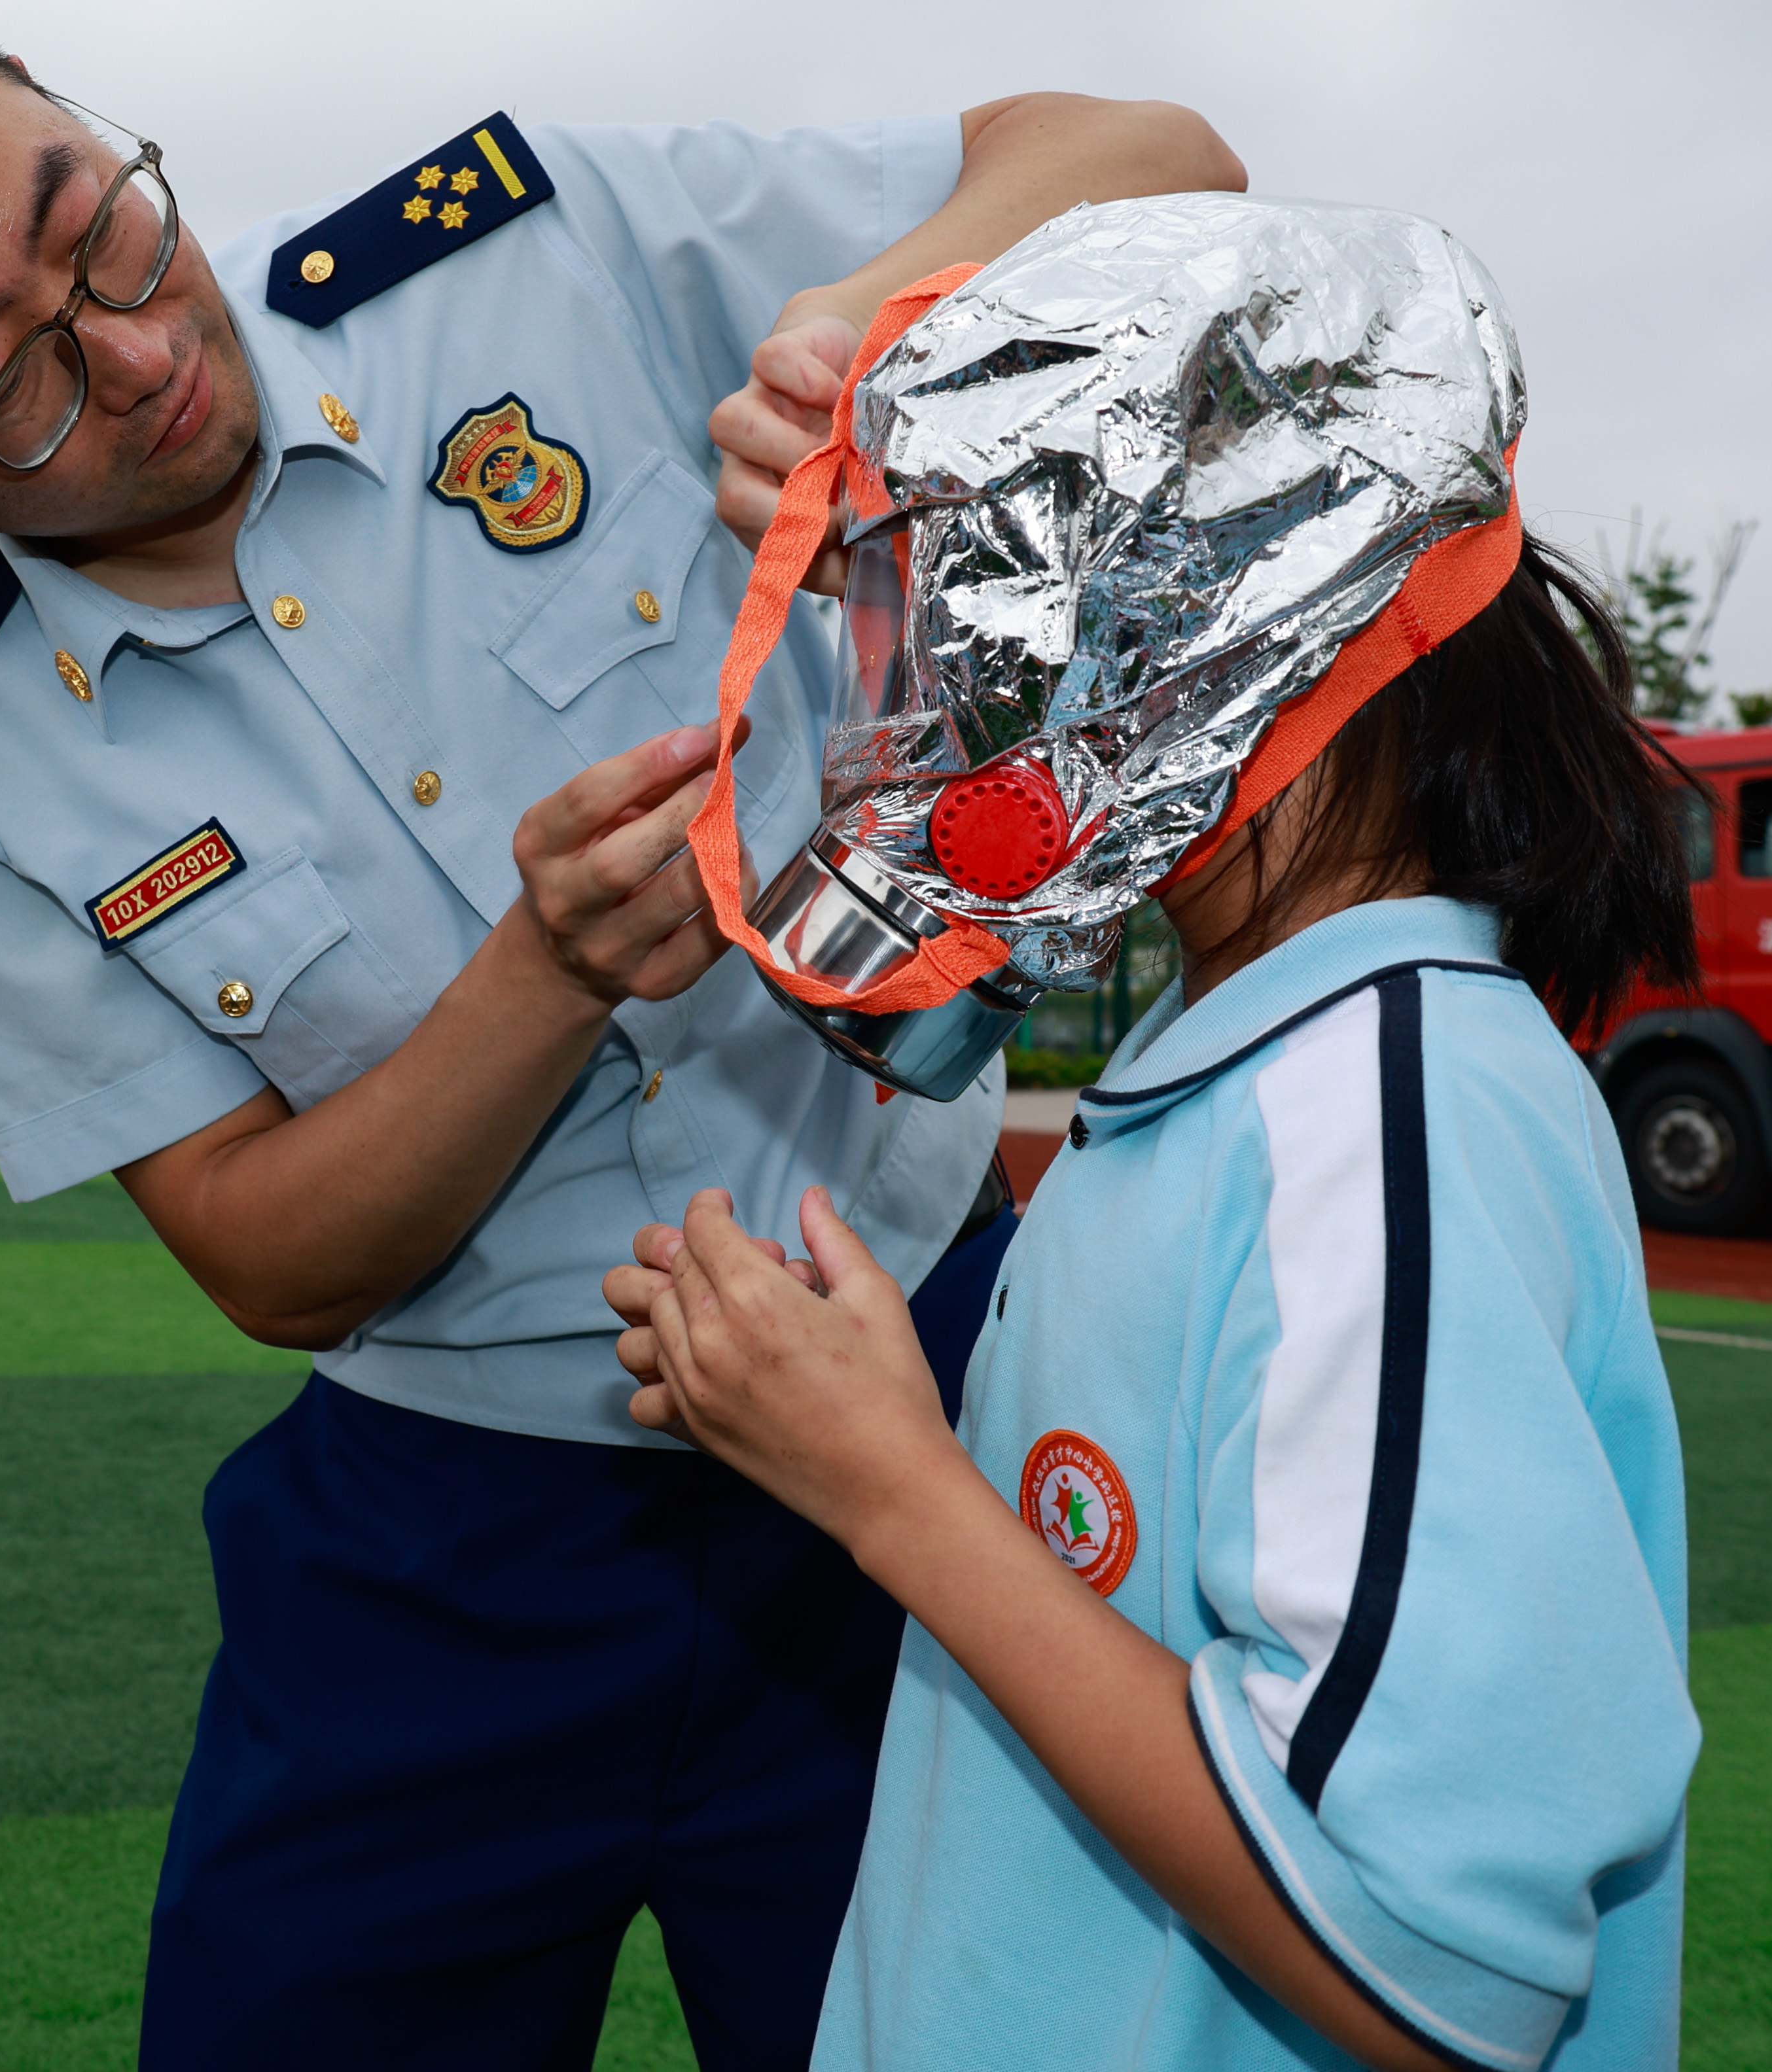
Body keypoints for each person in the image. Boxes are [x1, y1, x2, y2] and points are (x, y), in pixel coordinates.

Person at [0, 0, 1245, 2062]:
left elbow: (1160, 161)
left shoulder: (523, 253)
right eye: (0, 382)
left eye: (104, 228)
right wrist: (535, 981)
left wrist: (856, 319)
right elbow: (267, 1258)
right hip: (459, 1536)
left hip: (940, 1395)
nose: (146, 352)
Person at [609, 542, 1702, 2072]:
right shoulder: (1257, 1067)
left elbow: (1428, 1942)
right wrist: (847, 1421)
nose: (1023, 705)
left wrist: (888, 1488)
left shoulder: (1387, 1110)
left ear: (1328, 660)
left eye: (1119, 634)